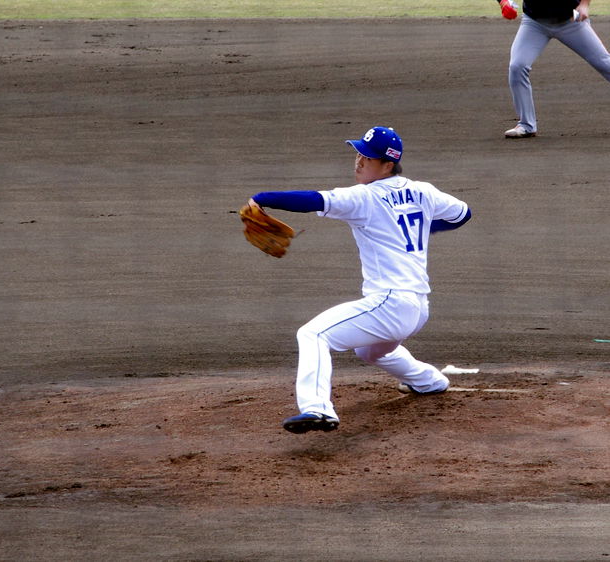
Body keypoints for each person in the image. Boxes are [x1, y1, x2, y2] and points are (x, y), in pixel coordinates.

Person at [246, 127, 472, 434]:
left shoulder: (365, 197)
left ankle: (317, 408)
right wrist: (424, 229)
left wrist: (262, 198)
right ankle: (429, 381)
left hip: (390, 304)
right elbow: (463, 214)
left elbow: (313, 200)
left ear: (388, 165)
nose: (359, 162)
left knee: (313, 334)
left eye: (368, 158)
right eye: (358, 154)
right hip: (417, 308)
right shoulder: (423, 191)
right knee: (370, 351)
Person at [498, 0, 610, 138]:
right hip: (534, 23)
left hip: (571, 21)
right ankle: (526, 125)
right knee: (517, 66)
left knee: (604, 63)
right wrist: (503, 1)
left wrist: (584, 4)